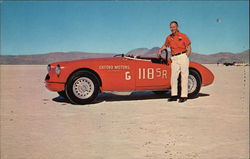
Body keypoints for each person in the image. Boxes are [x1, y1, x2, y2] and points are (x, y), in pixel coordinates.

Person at [158, 21, 191, 103]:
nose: (172, 28)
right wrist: (160, 50)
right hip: (174, 58)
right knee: (173, 77)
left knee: (184, 76)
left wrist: (185, 56)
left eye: (174, 27)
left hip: (183, 56)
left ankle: (184, 96)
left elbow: (188, 47)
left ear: (177, 27)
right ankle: (174, 95)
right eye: (171, 27)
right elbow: (165, 45)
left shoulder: (183, 36)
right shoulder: (169, 37)